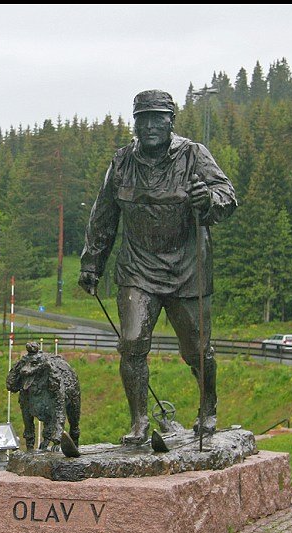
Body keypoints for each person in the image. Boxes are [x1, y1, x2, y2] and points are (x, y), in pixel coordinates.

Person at [78, 89, 237, 443]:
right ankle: (139, 422)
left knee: (196, 349)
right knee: (132, 342)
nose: (150, 125)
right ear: (135, 123)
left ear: (171, 121)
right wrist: (92, 263)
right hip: (138, 269)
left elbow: (228, 197)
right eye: (143, 118)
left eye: (157, 117)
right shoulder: (121, 162)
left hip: (187, 268)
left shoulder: (194, 156)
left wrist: (209, 199)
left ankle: (208, 407)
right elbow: (103, 216)